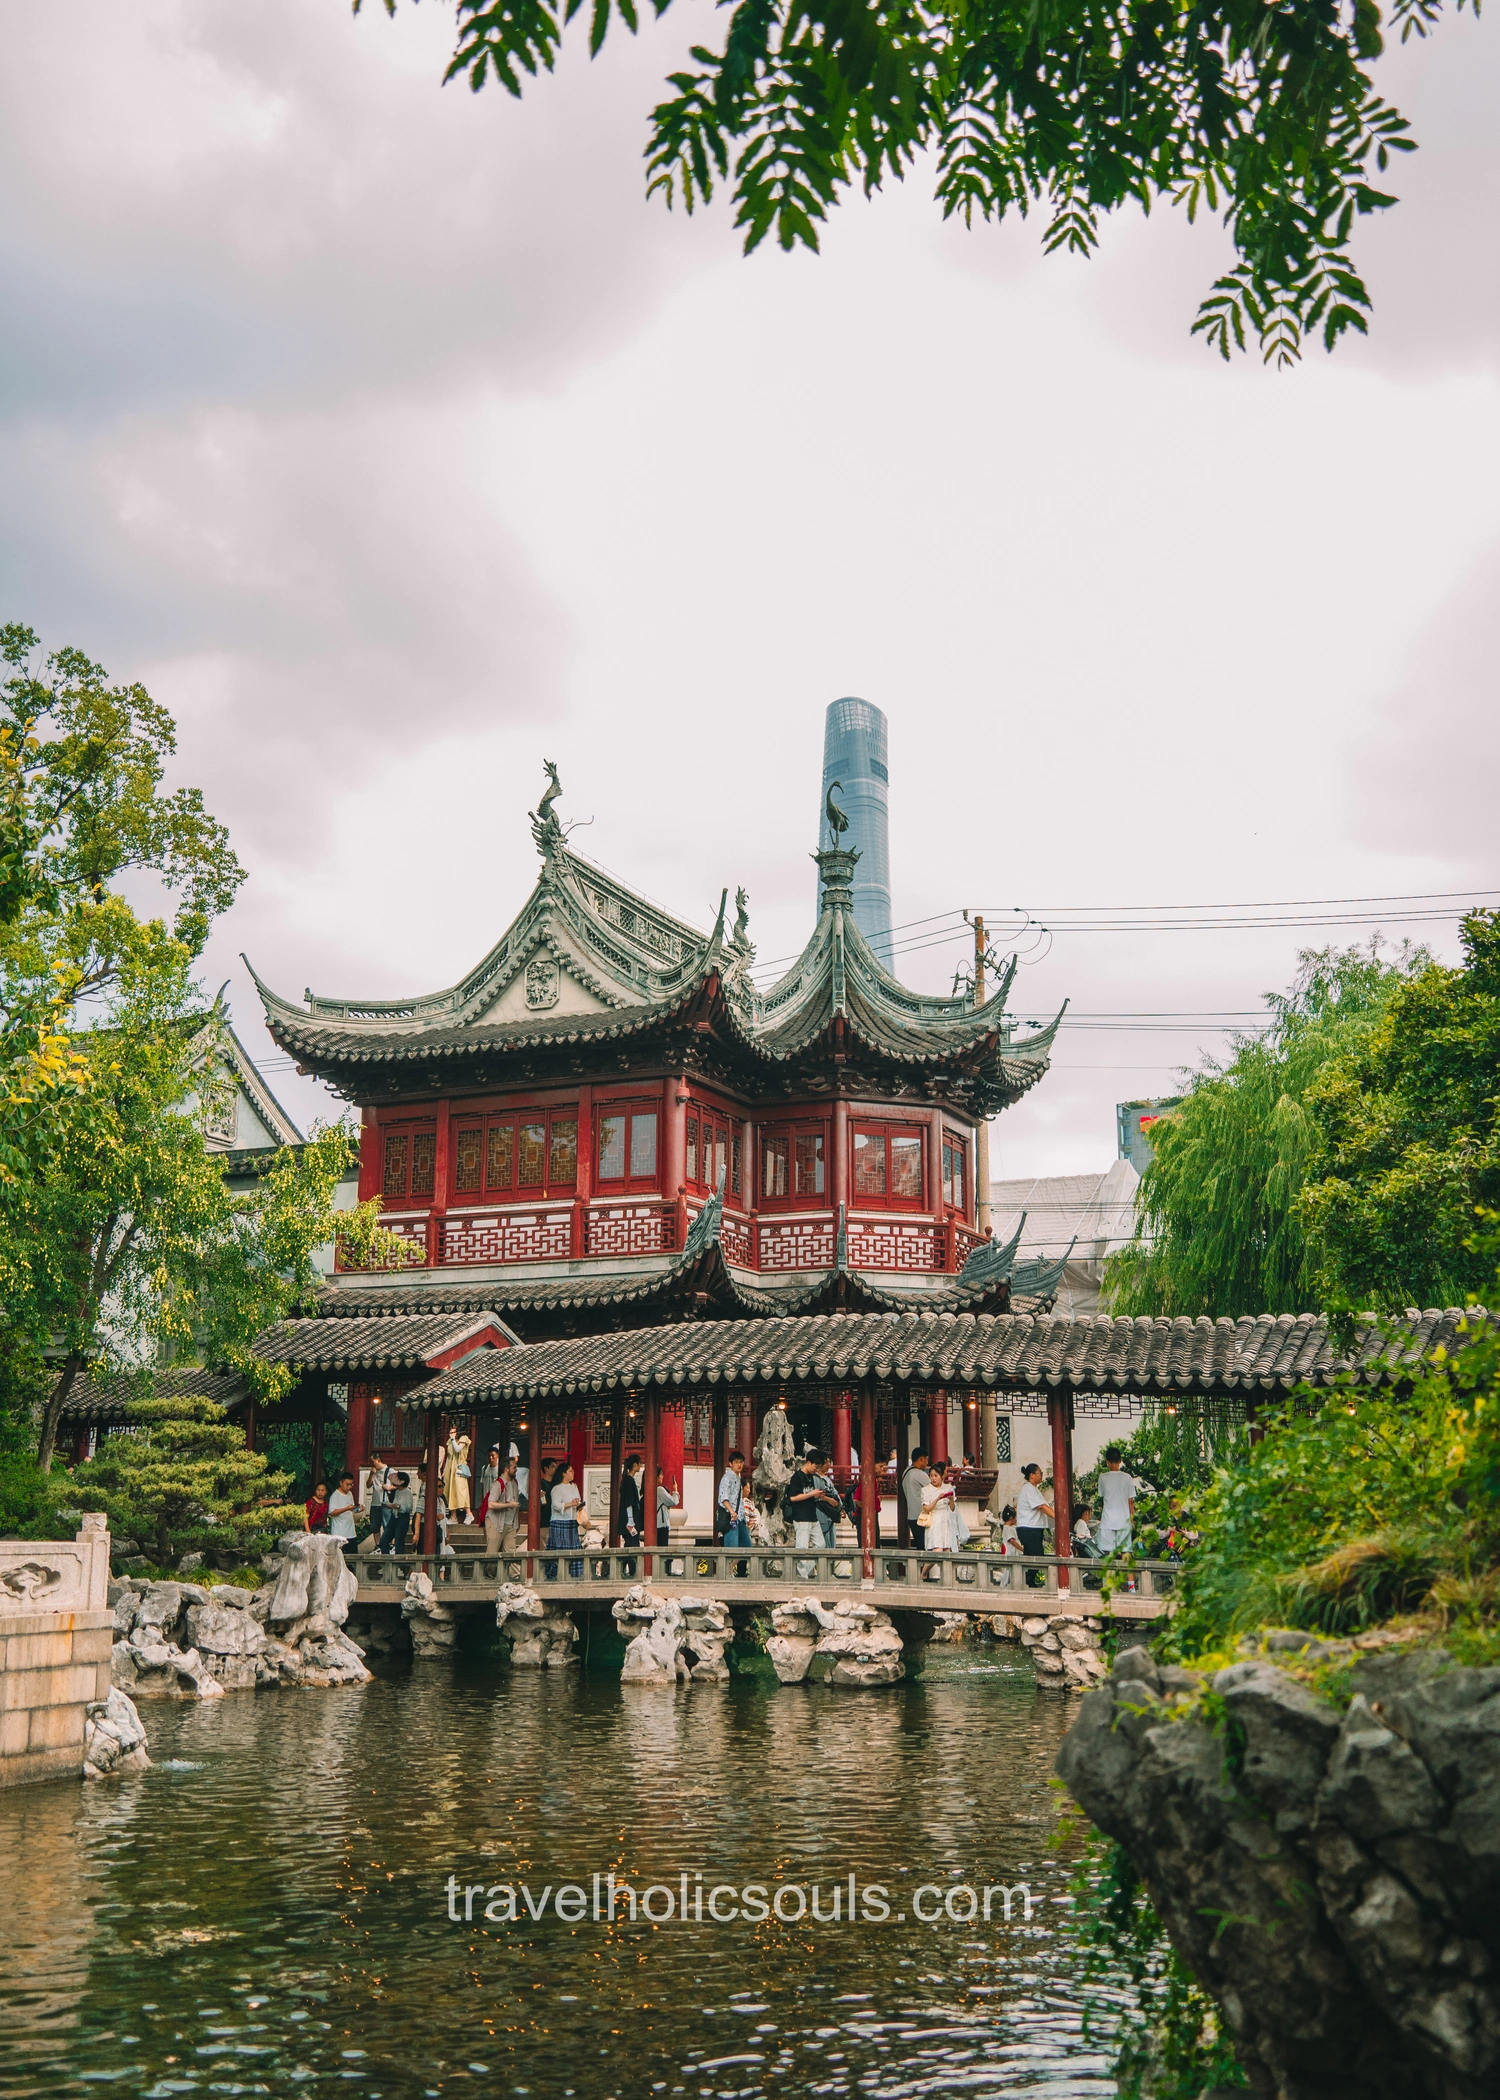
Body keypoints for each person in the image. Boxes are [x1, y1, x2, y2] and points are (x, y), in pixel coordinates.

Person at [1017, 1462, 1053, 1588]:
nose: (1042, 1475)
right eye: (1040, 1473)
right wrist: (1059, 1518)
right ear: (1032, 1475)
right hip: (1029, 1528)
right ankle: (1023, 1581)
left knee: (1031, 1557)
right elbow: (1042, 1507)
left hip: (1033, 1528)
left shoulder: (1033, 1489)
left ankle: (1028, 1582)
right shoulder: (1029, 1489)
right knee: (1037, 1557)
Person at [1097, 1447, 1138, 1555]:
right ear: (1120, 1460)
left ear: (1107, 1462)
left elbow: (1102, 1496)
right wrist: (1132, 1521)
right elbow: (1131, 1501)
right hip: (1124, 1520)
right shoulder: (1127, 1478)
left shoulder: (1102, 1477)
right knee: (1125, 1554)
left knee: (1108, 1555)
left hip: (1107, 1520)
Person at [549, 1461, 583, 1571]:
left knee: (574, 1549)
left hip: (572, 1520)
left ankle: (574, 1573)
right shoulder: (557, 1488)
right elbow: (555, 1505)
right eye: (570, 1471)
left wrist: (579, 1505)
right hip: (560, 1521)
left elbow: (577, 1500)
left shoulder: (574, 1487)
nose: (573, 1473)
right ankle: (558, 1572)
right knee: (560, 1549)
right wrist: (570, 1504)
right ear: (564, 1473)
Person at [786, 1455, 824, 1550]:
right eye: (816, 1466)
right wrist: (811, 1494)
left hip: (812, 1516)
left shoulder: (811, 1477)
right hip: (801, 1517)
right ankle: (802, 1565)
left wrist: (815, 1495)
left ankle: (811, 1565)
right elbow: (793, 1498)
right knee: (802, 1548)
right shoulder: (797, 1477)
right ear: (808, 1463)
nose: (816, 1469)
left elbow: (807, 1494)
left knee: (820, 1545)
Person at [920, 1461, 959, 1553]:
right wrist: (937, 1499)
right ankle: (923, 1568)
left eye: (936, 1476)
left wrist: (951, 1500)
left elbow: (952, 1509)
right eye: (931, 1476)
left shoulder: (948, 1487)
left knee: (947, 1550)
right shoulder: (926, 1490)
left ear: (942, 1476)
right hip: (934, 1519)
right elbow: (927, 1509)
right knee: (937, 1549)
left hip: (946, 1520)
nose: (933, 1478)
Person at [486, 1454, 520, 1555]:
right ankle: (488, 1571)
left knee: (511, 1555)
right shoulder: (498, 1484)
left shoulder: (515, 1483)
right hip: (496, 1523)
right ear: (506, 1469)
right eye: (514, 1467)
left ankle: (513, 1572)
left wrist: (517, 1521)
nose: (516, 1470)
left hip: (511, 1524)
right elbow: (491, 1504)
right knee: (491, 1555)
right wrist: (508, 1505)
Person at [717, 1450, 751, 1549]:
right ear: (730, 1463)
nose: (739, 1465)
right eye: (736, 1462)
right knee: (732, 1550)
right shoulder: (727, 1478)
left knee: (747, 1548)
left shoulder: (739, 1478)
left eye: (741, 1462)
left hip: (740, 1517)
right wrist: (732, 1512)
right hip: (731, 1518)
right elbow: (724, 1498)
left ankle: (733, 1565)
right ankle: (728, 1565)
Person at [443, 1431, 474, 1525]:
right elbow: (449, 1457)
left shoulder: (463, 1438)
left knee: (461, 1491)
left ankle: (469, 1514)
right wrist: (444, 1471)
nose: (451, 1432)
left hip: (459, 1468)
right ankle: (453, 1516)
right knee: (450, 1491)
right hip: (450, 1468)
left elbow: (457, 1449)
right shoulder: (450, 1440)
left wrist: (452, 1438)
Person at [902, 1447, 930, 1549]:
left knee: (919, 1545)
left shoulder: (905, 1472)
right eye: (926, 1459)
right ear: (922, 1459)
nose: (927, 1462)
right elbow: (934, 1488)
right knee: (926, 1546)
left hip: (911, 1516)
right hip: (921, 1515)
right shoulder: (920, 1474)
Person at [383, 1470, 413, 1555]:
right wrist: (390, 1506)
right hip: (394, 1517)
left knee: (399, 1543)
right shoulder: (397, 1491)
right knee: (384, 1541)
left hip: (402, 1518)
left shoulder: (408, 1492)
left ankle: (399, 1566)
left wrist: (399, 1506)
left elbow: (409, 1508)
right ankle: (387, 1561)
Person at [618, 1455, 645, 1549]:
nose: (640, 1466)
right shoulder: (629, 1481)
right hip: (630, 1522)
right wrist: (630, 1520)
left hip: (631, 1520)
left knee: (630, 1545)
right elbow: (629, 1502)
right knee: (632, 1546)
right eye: (639, 1463)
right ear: (635, 1465)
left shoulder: (628, 1480)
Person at [327, 1473, 359, 1549]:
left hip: (351, 1532)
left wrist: (358, 1509)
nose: (349, 1487)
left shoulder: (350, 1494)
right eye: (347, 1484)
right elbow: (331, 1512)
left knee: (353, 1557)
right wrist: (346, 1508)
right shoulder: (335, 1495)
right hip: (339, 1533)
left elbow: (351, 1510)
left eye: (351, 1485)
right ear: (341, 1483)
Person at [654, 1467, 679, 1549]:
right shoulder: (659, 1490)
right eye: (661, 1474)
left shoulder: (652, 1489)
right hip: (661, 1525)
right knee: (663, 1550)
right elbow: (673, 1501)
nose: (662, 1476)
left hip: (656, 1525)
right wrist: (675, 1490)